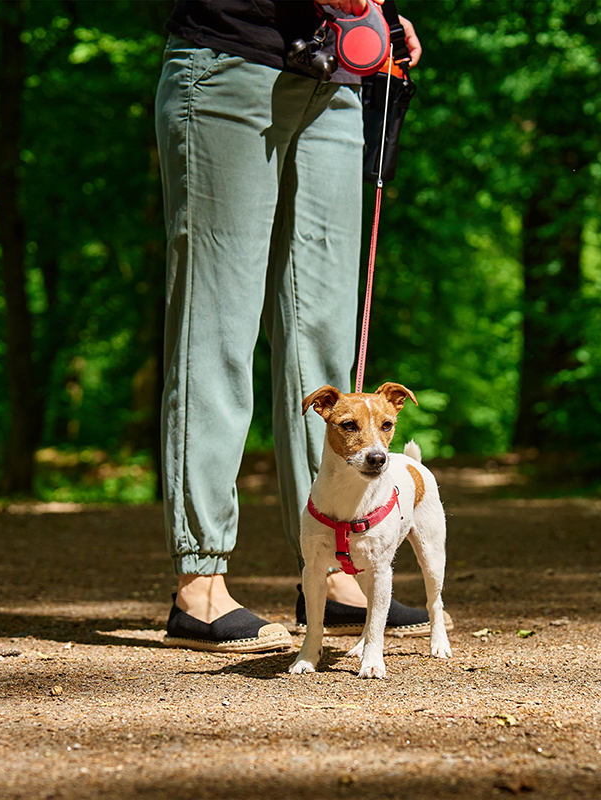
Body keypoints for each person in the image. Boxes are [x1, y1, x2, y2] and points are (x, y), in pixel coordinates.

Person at [154, 0, 428, 653]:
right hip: (229, 62)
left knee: (325, 339)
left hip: (335, 79)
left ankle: (331, 571)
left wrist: (379, 11)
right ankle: (201, 580)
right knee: (216, 323)